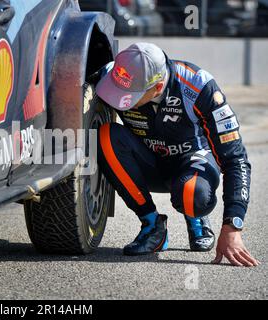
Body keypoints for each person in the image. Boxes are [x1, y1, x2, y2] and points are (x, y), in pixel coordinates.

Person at [95, 42, 259, 267]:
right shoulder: (115, 74)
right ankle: (152, 226)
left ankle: (195, 216)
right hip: (148, 163)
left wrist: (232, 227)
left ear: (158, 86)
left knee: (192, 195)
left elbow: (236, 160)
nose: (117, 96)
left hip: (192, 165)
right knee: (106, 135)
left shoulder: (199, 86)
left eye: (128, 95)